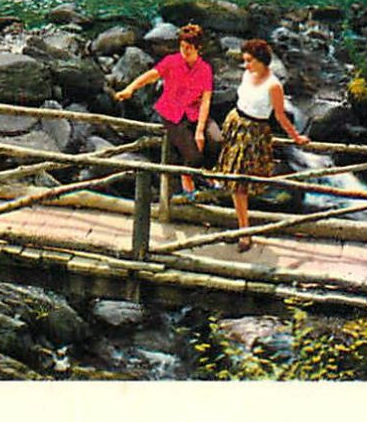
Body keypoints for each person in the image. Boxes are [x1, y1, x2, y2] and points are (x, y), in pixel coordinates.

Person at [217, 38, 308, 252]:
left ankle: (244, 232)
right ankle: (242, 228)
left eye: (249, 60)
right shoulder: (247, 74)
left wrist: (296, 138)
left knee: (241, 184)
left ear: (261, 61)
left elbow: (280, 116)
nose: (246, 65)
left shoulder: (274, 85)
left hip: (254, 133)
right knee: (233, 181)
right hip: (236, 124)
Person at [114, 23, 223, 195]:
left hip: (194, 112)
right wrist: (130, 88)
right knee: (193, 155)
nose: (185, 51)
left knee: (216, 140)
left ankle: (207, 172)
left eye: (189, 48)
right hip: (173, 113)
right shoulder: (172, 62)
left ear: (198, 49)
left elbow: (206, 100)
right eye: (182, 47)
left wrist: (200, 130)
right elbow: (151, 76)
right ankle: (187, 176)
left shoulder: (205, 69)